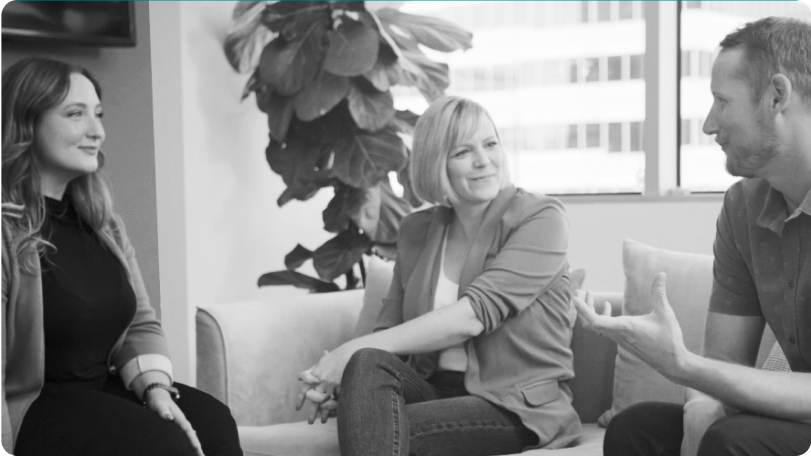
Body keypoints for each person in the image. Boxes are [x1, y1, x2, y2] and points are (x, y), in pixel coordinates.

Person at [574, 16, 811, 456]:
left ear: (777, 96)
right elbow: (722, 364)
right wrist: (699, 416)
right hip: (786, 421)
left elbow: (703, 370)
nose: (708, 123)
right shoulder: (743, 207)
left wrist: (683, 365)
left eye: (722, 100)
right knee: (636, 429)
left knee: (734, 441)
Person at [295, 96, 581, 455]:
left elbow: (473, 316)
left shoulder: (541, 218)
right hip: (432, 390)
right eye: (463, 152)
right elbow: (387, 333)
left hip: (513, 405)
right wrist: (352, 389)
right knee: (368, 362)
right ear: (436, 162)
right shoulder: (416, 230)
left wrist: (347, 358)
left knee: (375, 425)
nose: (484, 161)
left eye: (490, 144)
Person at [1, 57, 243, 456]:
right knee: (164, 445)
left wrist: (155, 388)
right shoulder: (7, 234)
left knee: (214, 423)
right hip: (35, 409)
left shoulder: (103, 224)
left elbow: (140, 323)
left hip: (104, 388)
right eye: (75, 114)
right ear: (26, 123)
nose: (96, 131)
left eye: (98, 114)